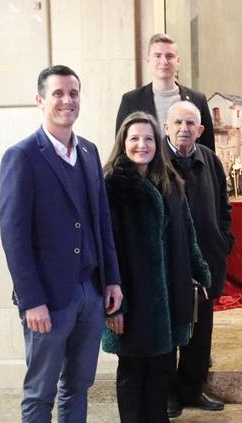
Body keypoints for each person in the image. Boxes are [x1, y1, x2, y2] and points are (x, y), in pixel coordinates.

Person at [0, 65, 123, 422]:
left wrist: (111, 280)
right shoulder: (22, 156)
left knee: (78, 387)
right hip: (48, 300)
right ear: (40, 100)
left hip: (90, 293)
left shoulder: (89, 152)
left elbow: (102, 223)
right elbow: (14, 236)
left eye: (73, 93)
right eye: (58, 93)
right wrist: (31, 300)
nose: (67, 100)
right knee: (40, 393)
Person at [102, 112, 211, 423]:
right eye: (134, 138)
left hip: (170, 295)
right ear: (123, 143)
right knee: (133, 372)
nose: (142, 145)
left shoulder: (171, 182)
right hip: (132, 298)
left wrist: (200, 271)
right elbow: (106, 248)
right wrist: (114, 307)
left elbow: (188, 233)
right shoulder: (112, 186)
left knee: (162, 371)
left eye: (148, 139)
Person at [162, 101, 235, 417]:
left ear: (201, 129)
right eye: (178, 122)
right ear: (166, 127)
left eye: (190, 123)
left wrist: (223, 240)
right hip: (168, 262)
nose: (184, 128)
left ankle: (192, 389)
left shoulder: (210, 160)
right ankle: (168, 394)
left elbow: (224, 206)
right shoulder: (155, 160)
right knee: (170, 330)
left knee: (201, 330)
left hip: (206, 259)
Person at [116, 33, 215, 150]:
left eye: (169, 56)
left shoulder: (197, 99)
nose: (164, 61)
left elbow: (208, 149)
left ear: (178, 61)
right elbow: (120, 148)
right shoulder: (131, 101)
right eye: (157, 56)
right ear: (148, 60)